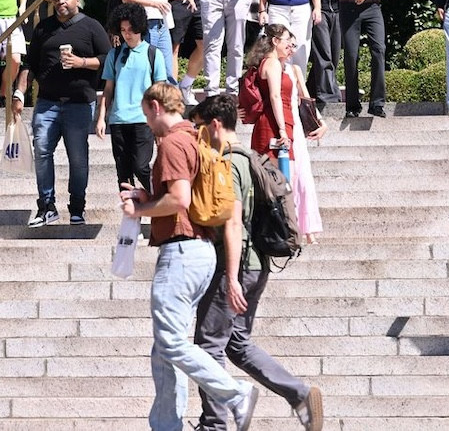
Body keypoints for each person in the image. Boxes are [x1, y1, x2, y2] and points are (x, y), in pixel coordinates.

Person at [120, 82, 261, 431]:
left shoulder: (172, 142)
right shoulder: (194, 139)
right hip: (197, 251)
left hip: (181, 251)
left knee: (169, 341)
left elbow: (180, 199)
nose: (147, 123)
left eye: (146, 114)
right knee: (164, 347)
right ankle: (166, 425)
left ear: (156, 106)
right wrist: (148, 196)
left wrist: (140, 211)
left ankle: (236, 394)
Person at [190, 94, 324, 431]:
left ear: (214, 126)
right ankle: (299, 394)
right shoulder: (251, 158)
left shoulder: (229, 164)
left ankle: (214, 424)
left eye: (199, 128)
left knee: (208, 345)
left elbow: (233, 222)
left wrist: (231, 277)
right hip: (258, 263)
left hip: (235, 265)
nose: (196, 136)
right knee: (236, 343)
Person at [13, 0, 110, 227]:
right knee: (42, 151)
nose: (61, 2)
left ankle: (77, 207)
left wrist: (81, 62)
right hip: (47, 102)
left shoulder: (91, 26)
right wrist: (19, 93)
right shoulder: (43, 28)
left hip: (79, 103)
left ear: (77, 0)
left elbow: (108, 59)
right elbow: (30, 64)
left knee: (77, 158)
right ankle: (47, 206)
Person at [245, 24, 326, 244]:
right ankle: (281, 230)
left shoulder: (281, 66)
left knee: (287, 177)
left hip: (286, 124)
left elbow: (302, 100)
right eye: (287, 42)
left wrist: (319, 122)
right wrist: (282, 128)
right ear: (275, 41)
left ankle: (290, 228)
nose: (291, 47)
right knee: (280, 178)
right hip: (276, 125)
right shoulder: (271, 63)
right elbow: (274, 97)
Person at [96, 3, 168, 191]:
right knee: (123, 173)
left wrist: (160, 124)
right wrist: (101, 118)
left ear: (140, 28)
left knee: (141, 166)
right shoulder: (114, 54)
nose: (127, 34)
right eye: (123, 30)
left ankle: (158, 198)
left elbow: (160, 91)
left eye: (131, 29)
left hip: (143, 120)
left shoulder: (153, 54)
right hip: (118, 119)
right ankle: (130, 208)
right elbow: (108, 89)